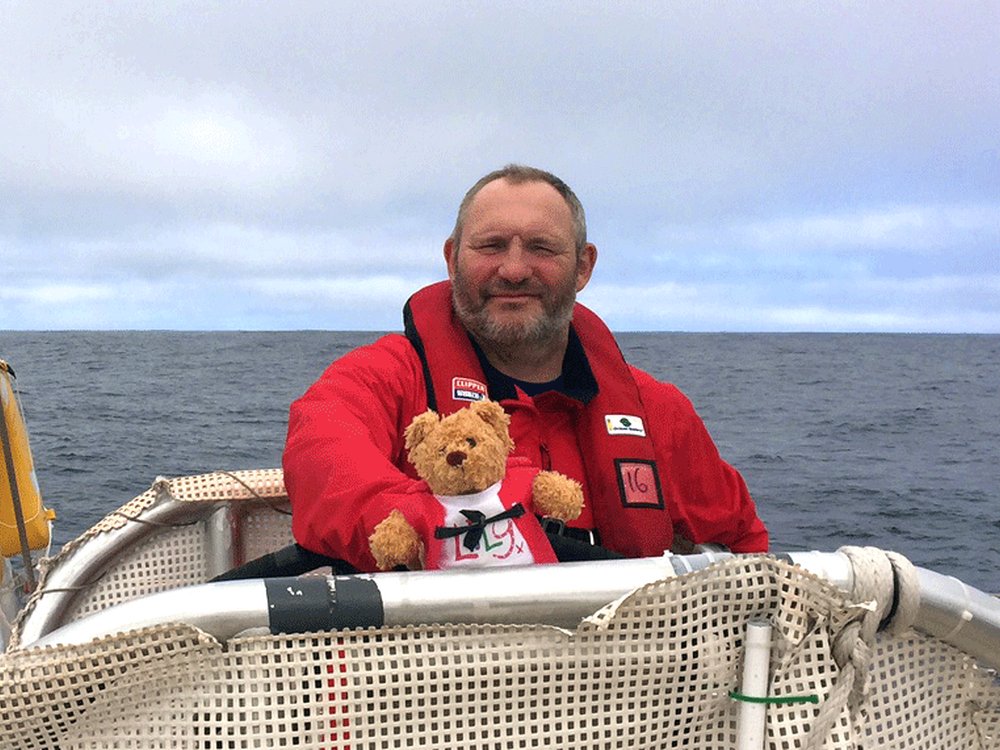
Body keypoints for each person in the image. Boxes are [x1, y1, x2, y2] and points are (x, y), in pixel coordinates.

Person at [283, 164, 768, 572]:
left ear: (583, 266)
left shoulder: (659, 412)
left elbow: (742, 545)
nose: (514, 270)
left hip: (621, 675)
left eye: (541, 247)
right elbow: (322, 461)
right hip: (430, 674)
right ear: (453, 259)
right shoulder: (383, 378)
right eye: (491, 246)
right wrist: (445, 521)